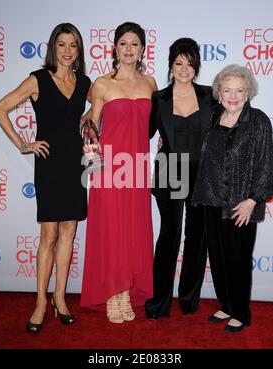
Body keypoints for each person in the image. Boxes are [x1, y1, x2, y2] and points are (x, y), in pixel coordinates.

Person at [0, 23, 92, 333]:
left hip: (75, 165)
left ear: (78, 51)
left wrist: (88, 118)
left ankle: (59, 299)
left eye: (72, 45)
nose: (66, 51)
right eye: (61, 44)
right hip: (49, 166)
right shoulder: (38, 80)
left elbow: (100, 107)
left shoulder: (85, 82)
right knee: (49, 236)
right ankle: (39, 302)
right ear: (53, 48)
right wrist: (24, 144)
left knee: (69, 232)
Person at [191, 64, 273, 332]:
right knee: (217, 258)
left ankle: (242, 312)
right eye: (227, 90)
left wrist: (253, 200)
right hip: (210, 199)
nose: (233, 95)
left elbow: (265, 165)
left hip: (240, 204)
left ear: (247, 92)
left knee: (237, 259)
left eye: (239, 90)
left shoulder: (258, 121)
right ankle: (227, 304)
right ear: (218, 92)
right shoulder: (213, 115)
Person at [80, 21, 157, 323]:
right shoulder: (101, 83)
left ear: (142, 49)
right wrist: (89, 144)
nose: (128, 49)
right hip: (109, 167)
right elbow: (90, 124)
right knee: (111, 231)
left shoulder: (150, 83)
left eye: (134, 44)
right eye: (123, 43)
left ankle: (127, 290)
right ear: (114, 47)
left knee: (135, 231)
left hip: (137, 168)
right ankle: (114, 293)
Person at [145, 38, 215, 320]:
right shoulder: (158, 98)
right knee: (170, 235)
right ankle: (159, 302)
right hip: (171, 168)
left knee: (197, 237)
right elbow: (144, 132)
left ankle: (188, 300)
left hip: (202, 172)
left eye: (189, 63)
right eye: (178, 63)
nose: (184, 69)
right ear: (171, 66)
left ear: (196, 66)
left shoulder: (211, 95)